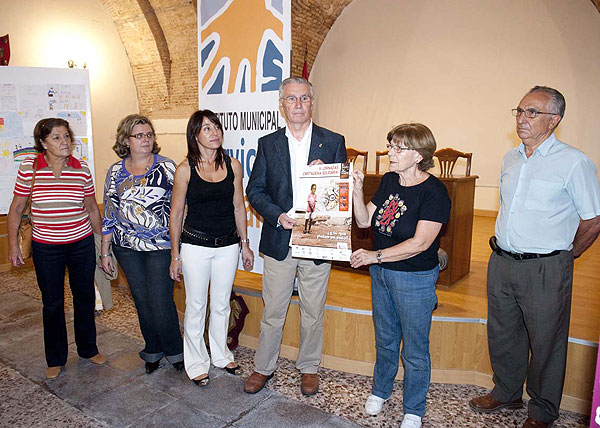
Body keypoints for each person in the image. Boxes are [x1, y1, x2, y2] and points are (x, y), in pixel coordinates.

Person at [469, 86, 600, 428]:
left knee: (546, 343)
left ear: (554, 120)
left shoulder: (574, 162)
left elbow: (593, 219)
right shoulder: (510, 158)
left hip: (546, 267)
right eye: (519, 110)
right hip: (502, 261)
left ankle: (542, 411)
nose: (521, 118)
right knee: (503, 333)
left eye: (532, 112)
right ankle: (507, 392)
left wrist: (568, 255)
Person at [244, 77, 346, 396]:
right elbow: (255, 190)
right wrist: (277, 216)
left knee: (313, 311)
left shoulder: (333, 141)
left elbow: (341, 190)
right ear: (282, 104)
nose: (298, 104)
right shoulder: (268, 143)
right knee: (273, 310)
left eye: (304, 98)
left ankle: (309, 367)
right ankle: (263, 367)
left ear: (312, 102)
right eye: (292, 99)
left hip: (318, 241)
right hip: (280, 241)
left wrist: (327, 172)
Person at [350, 123, 450, 428]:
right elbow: (365, 220)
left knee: (416, 348)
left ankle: (414, 409)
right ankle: (380, 391)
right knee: (386, 339)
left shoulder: (435, 192)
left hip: (414, 278)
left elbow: (419, 244)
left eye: (398, 148)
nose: (390, 152)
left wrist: (373, 256)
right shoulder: (390, 181)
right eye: (390, 145)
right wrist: (356, 189)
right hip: (381, 274)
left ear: (419, 155)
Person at [7, 118, 107, 380]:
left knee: (84, 298)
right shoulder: (30, 168)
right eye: (57, 138)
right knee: (52, 303)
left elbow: (92, 208)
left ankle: (88, 349)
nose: (65, 142)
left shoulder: (81, 169)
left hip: (80, 243)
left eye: (66, 137)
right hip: (46, 247)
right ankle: (55, 358)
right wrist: (13, 246)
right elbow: (17, 208)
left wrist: (100, 243)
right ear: (43, 143)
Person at [169, 110, 254, 387]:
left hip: (228, 245)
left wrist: (245, 244)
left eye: (216, 126)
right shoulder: (185, 169)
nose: (214, 132)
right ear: (195, 135)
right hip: (195, 245)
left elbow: (238, 206)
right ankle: (195, 362)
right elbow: (177, 212)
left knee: (220, 304)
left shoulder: (233, 165)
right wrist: (175, 254)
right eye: (207, 128)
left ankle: (220, 354)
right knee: (196, 305)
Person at [100, 114, 184, 374]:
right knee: (142, 299)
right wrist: (105, 251)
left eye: (149, 135)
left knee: (160, 299)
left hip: (160, 245)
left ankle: (175, 350)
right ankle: (153, 349)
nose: (146, 140)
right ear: (126, 140)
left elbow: (181, 208)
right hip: (126, 248)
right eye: (140, 135)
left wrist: (178, 247)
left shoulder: (168, 167)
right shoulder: (115, 172)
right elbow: (110, 212)